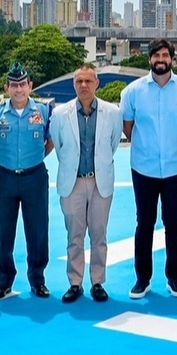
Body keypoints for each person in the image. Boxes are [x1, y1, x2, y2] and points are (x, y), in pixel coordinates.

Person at [120, 38, 177, 299]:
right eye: (156, 55)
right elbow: (128, 127)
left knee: (173, 223)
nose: (161, 60)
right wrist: (146, 147)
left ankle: (174, 278)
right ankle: (142, 279)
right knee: (144, 223)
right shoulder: (133, 92)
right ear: (150, 59)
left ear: (172, 59)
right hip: (143, 168)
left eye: (165, 55)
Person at [50, 64, 124, 303]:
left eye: (88, 81)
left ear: (97, 83)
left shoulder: (112, 113)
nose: (84, 85)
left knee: (99, 234)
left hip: (99, 181)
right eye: (79, 81)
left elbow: (112, 144)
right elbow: (59, 147)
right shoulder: (59, 114)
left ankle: (98, 282)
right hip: (72, 183)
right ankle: (75, 282)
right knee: (75, 235)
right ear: (74, 84)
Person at [0, 62, 53, 300]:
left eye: (22, 84)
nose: (18, 89)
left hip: (35, 177)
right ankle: (3, 281)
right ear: (7, 88)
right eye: (14, 85)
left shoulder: (44, 112)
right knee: (2, 230)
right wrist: (6, 159)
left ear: (30, 86)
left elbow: (50, 140)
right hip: (5, 177)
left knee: (38, 229)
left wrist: (36, 157)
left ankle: (38, 279)